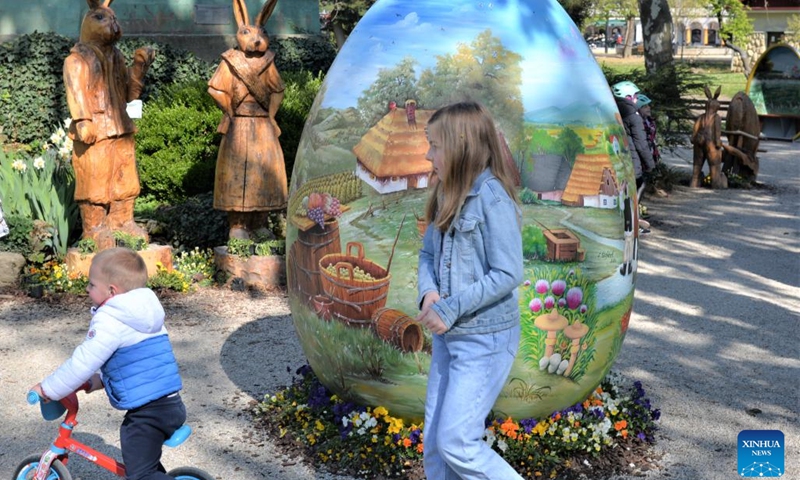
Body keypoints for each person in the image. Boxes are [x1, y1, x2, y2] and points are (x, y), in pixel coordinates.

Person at [416, 101, 524, 480]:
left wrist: (448, 309)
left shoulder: (493, 199)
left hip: (485, 340)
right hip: (451, 338)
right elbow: (428, 254)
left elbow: (509, 272)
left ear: (460, 146)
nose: (428, 154)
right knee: (435, 445)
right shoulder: (447, 191)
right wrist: (428, 294)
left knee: (457, 443)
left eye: (434, 145)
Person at [30, 248, 185, 480]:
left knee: (141, 475)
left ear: (112, 291)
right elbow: (134, 362)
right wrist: (96, 381)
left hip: (147, 415)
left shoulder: (110, 319)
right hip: (170, 405)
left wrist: (47, 389)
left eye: (92, 285)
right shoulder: (143, 315)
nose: (87, 289)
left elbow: (81, 362)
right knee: (146, 465)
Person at [612, 81, 656, 234]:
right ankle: (631, 222)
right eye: (636, 96)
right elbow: (641, 144)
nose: (637, 99)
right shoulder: (634, 117)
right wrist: (651, 164)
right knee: (638, 187)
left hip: (617, 159)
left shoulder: (613, 111)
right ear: (629, 97)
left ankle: (625, 220)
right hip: (632, 161)